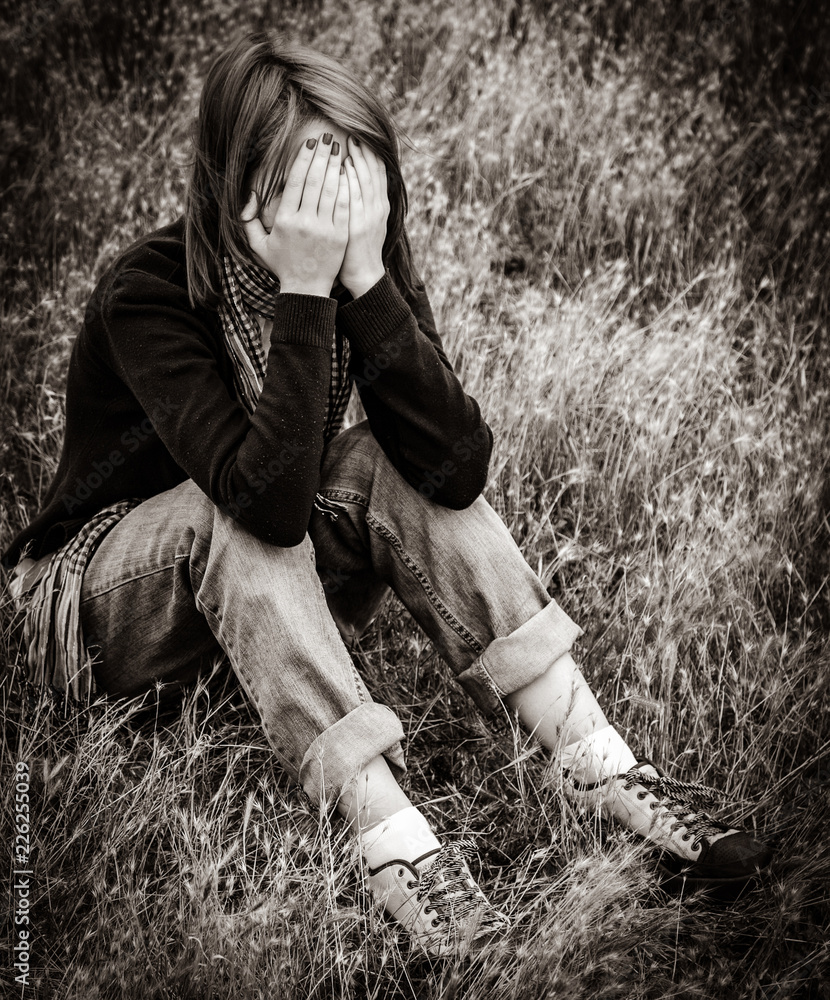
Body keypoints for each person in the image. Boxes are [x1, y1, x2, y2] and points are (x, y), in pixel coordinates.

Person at [3, 30, 772, 958]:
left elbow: (453, 469)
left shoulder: (360, 255)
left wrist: (365, 278)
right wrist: (304, 290)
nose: (339, 214)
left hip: (260, 589)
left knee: (379, 461)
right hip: (102, 601)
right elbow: (269, 503)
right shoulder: (149, 291)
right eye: (312, 189)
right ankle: (395, 843)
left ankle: (598, 762)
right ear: (237, 185)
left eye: (356, 187)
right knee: (236, 509)